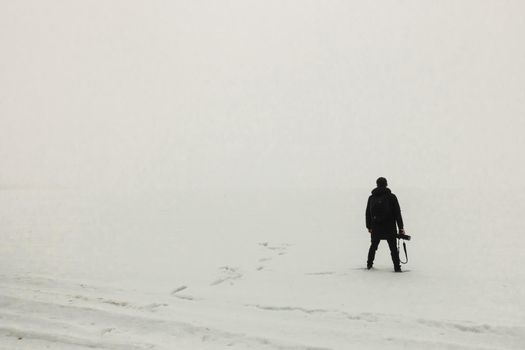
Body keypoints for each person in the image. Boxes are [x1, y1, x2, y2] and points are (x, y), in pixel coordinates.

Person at [365, 177, 405, 272]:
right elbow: (397, 213)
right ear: (386, 184)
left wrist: (369, 226)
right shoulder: (392, 197)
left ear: (377, 184)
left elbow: (367, 213)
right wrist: (401, 228)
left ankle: (369, 265)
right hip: (389, 227)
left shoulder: (371, 197)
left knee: (373, 246)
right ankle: (397, 267)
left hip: (376, 227)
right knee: (393, 248)